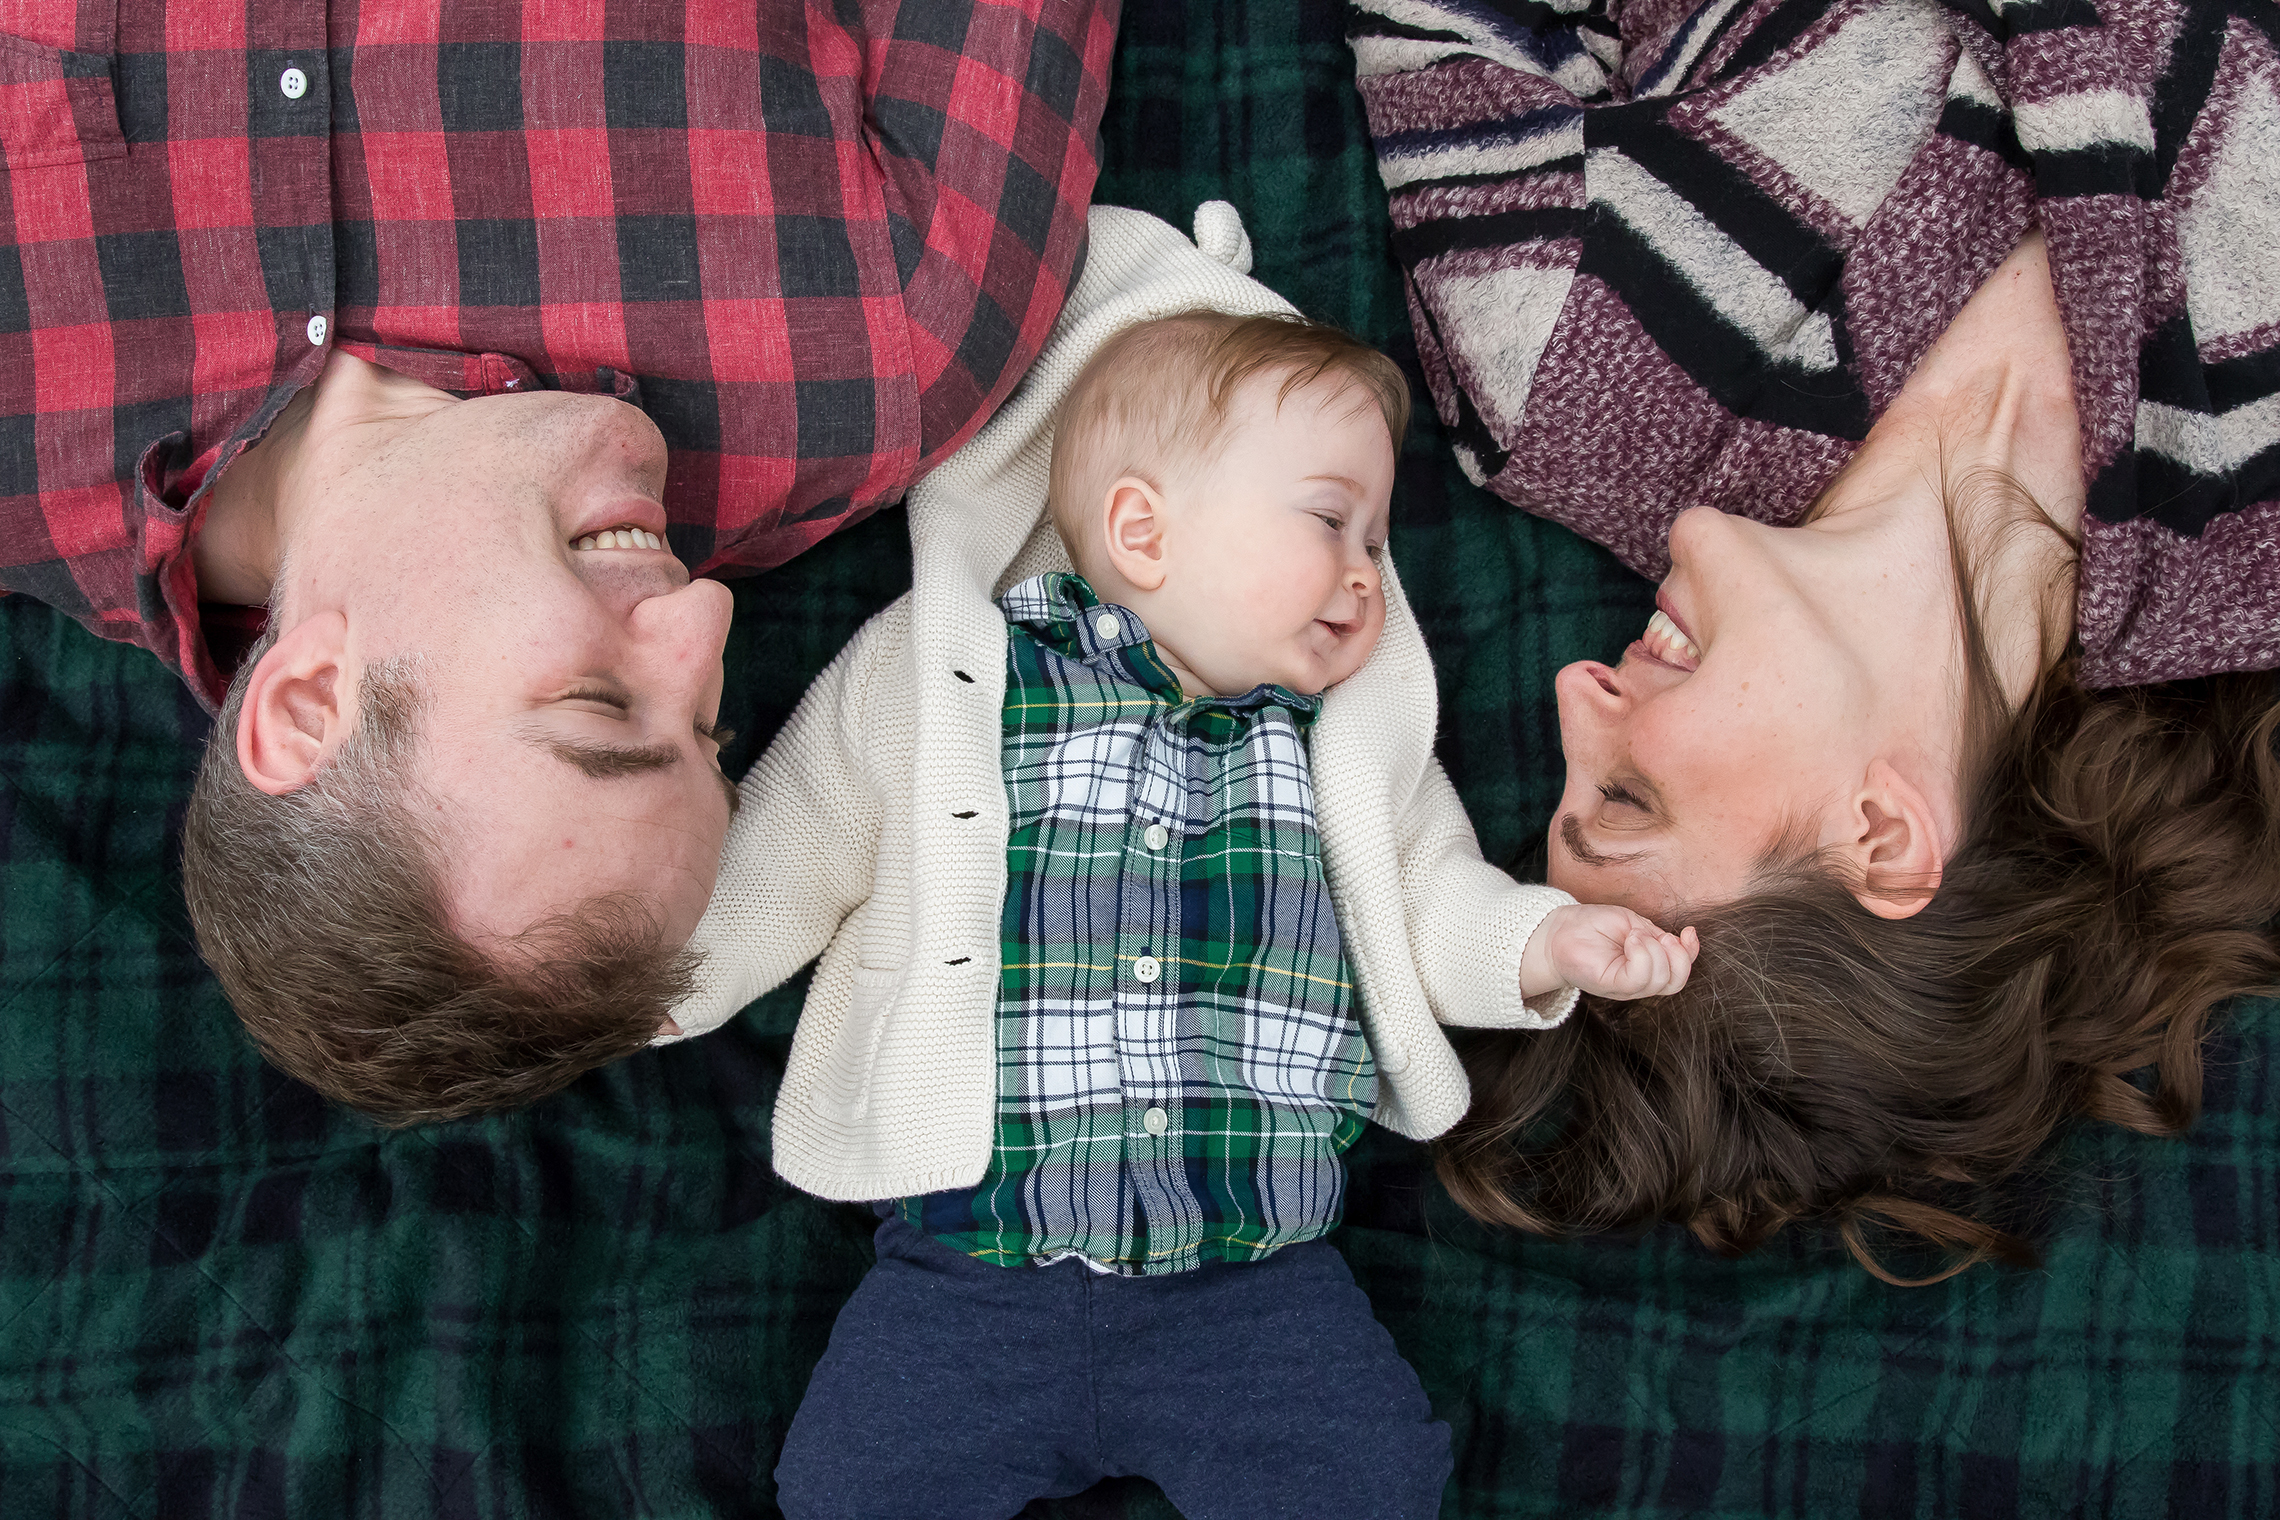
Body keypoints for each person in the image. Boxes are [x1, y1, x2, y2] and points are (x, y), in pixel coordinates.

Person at [666, 216, 1697, 1516]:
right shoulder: (953, 676)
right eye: (1331, 520)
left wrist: (1545, 941)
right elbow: (800, 831)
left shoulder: (1338, 744)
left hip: (1250, 1283)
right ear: (1143, 531)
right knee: (846, 1491)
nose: (1367, 575)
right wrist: (655, 975)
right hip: (974, 1268)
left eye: (1378, 541)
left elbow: (1433, 899)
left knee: (1375, 1483)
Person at [0, 0, 1117, 1121]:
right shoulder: (890, 342)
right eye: (708, 730)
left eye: (597, 703)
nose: (705, 620)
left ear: (308, 702)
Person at [1350, 0, 2280, 1274]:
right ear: (1881, 834)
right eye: (1626, 796)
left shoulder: (1564, 372)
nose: (1575, 692)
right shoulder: (2246, 547)